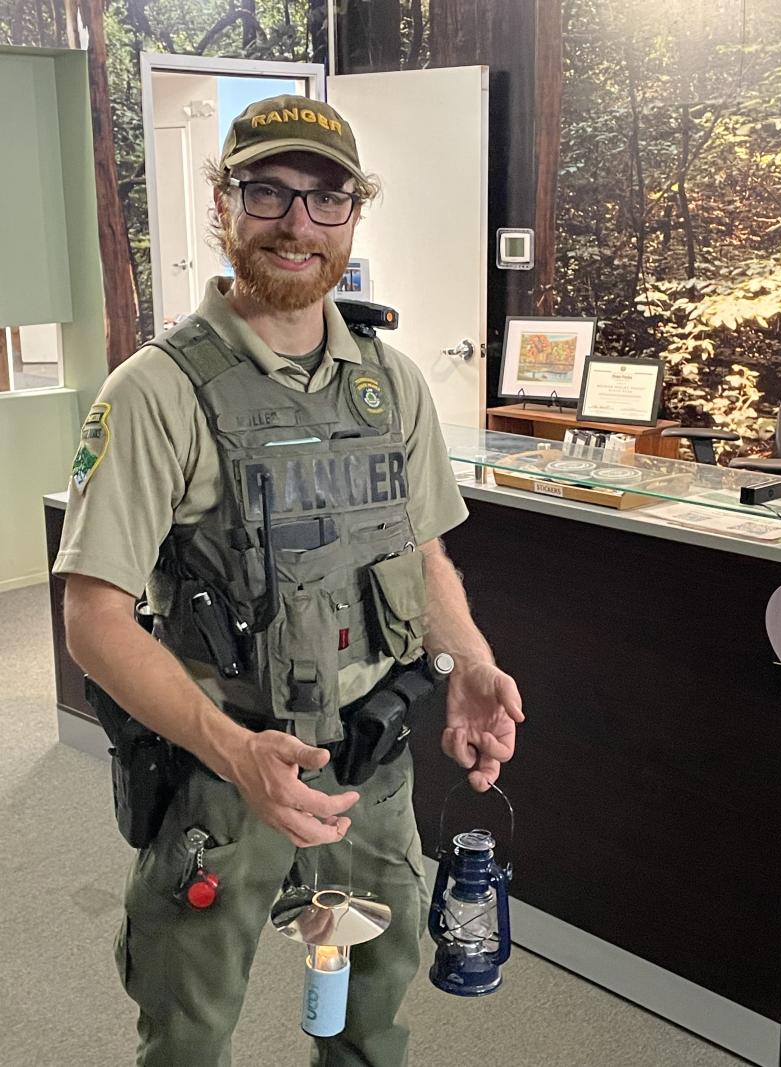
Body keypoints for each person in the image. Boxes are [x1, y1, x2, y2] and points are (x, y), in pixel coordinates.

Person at [54, 93, 524, 1067]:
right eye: (267, 190)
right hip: (220, 779)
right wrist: (231, 750)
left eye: (326, 197)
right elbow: (94, 618)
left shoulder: (388, 382)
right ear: (223, 203)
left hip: (371, 768)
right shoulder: (156, 390)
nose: (297, 222)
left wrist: (470, 660)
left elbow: (421, 551)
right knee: (188, 1029)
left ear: (355, 212)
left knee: (368, 1023)